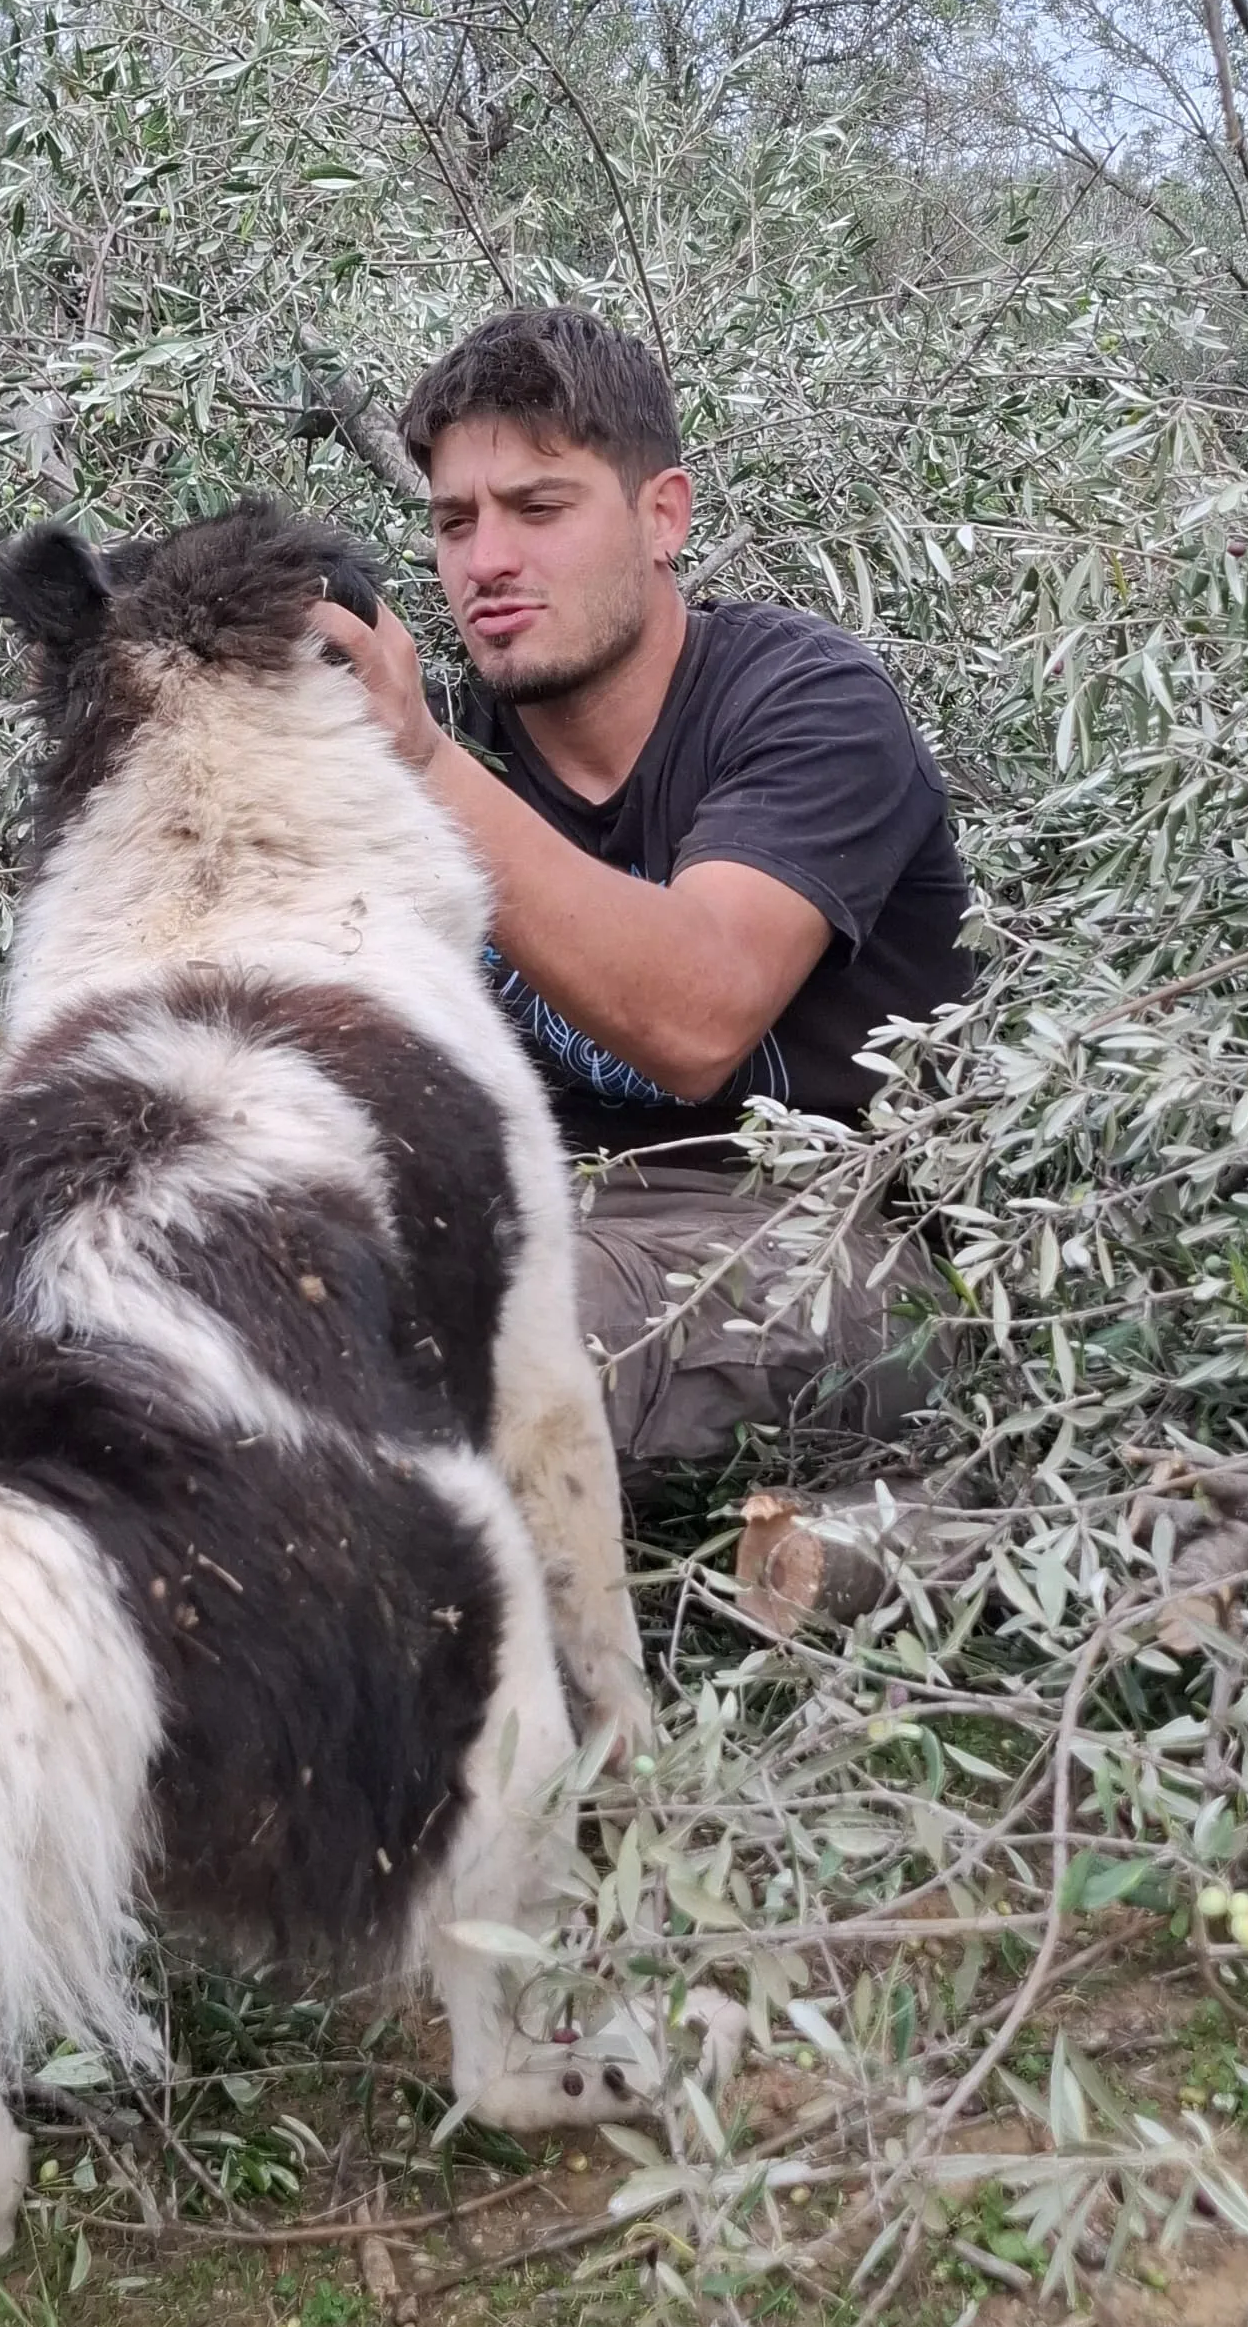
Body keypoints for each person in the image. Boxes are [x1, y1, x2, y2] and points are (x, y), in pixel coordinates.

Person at [319, 303, 973, 1483]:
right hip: (534, 1214)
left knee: (432, 1365)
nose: (487, 561)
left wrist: (414, 759)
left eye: (539, 509)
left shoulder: (806, 702)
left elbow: (696, 1016)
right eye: (456, 522)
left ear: (662, 515)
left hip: (820, 1237)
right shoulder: (455, 735)